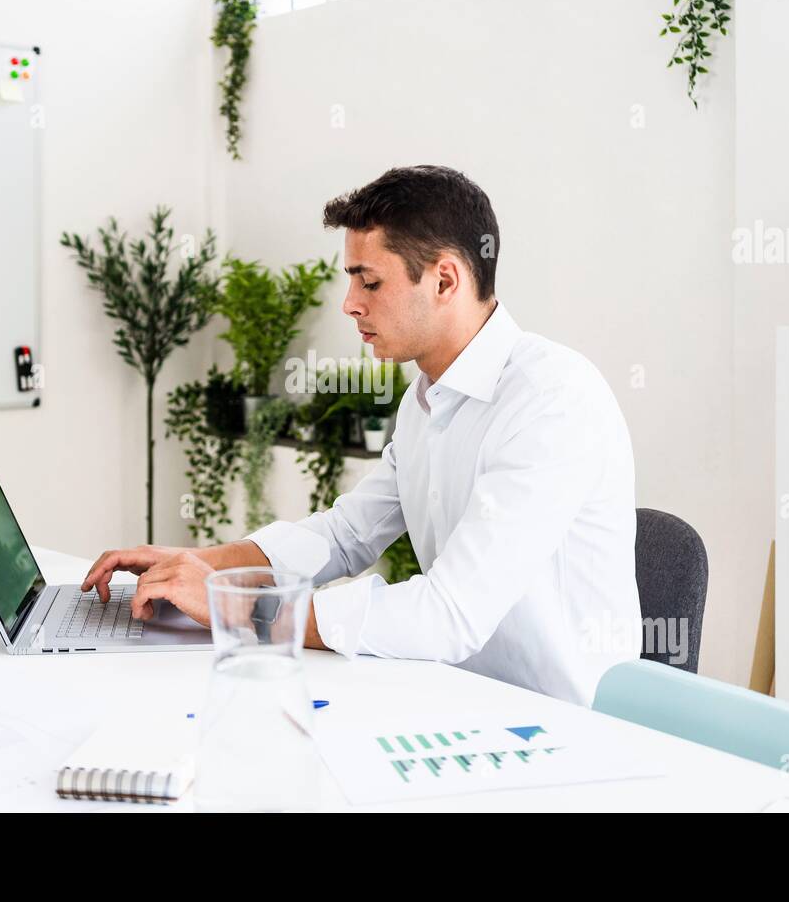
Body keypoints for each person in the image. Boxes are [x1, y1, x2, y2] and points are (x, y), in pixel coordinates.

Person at [81, 165, 641, 705]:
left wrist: (239, 606)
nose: (350, 304)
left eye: (369, 282)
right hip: (465, 701)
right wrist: (204, 565)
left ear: (445, 279)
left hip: (565, 726)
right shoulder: (425, 399)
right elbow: (348, 534)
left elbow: (449, 615)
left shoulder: (552, 401)